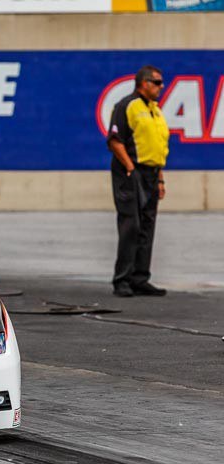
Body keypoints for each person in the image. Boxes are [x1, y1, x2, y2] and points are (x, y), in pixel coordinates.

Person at [107, 65, 169, 297]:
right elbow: (115, 140)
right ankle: (122, 280)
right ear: (144, 83)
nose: (161, 86)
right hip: (130, 172)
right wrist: (130, 167)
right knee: (130, 225)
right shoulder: (127, 105)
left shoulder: (155, 110)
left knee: (146, 226)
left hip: (152, 173)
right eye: (157, 82)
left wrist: (160, 180)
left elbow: (157, 149)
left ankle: (140, 278)